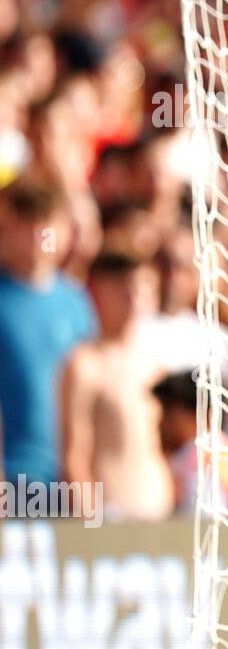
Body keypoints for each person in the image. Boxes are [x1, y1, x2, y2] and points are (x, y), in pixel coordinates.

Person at [0, 176, 97, 494]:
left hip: (70, 483)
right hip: (12, 479)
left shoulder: (75, 301)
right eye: (26, 221)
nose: (37, 234)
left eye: (46, 221)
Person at [62, 250, 173, 520]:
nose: (133, 297)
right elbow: (74, 455)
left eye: (141, 288)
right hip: (112, 515)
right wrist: (91, 520)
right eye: (123, 289)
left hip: (161, 514)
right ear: (99, 293)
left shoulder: (154, 365)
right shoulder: (85, 364)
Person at [152, 370, 228, 514]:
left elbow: (202, 530)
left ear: (200, 416)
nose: (161, 424)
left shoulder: (205, 468)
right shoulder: (220, 456)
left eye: (168, 413)